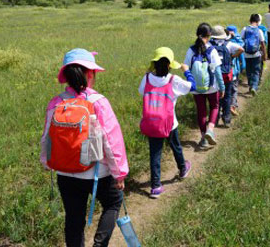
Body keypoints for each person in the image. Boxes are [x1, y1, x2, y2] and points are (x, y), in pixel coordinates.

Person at [40, 48, 128, 247]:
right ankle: (99, 244)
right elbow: (111, 140)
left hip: (64, 172)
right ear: (90, 74)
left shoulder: (56, 102)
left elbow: (47, 136)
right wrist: (119, 172)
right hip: (97, 172)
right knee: (113, 203)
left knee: (73, 218)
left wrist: (46, 162)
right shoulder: (99, 102)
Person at [138, 47, 195, 199]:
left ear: (154, 63)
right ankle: (183, 168)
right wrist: (186, 71)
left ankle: (155, 186)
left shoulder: (147, 78)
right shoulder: (173, 80)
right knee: (175, 146)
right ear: (170, 65)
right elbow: (192, 86)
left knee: (155, 153)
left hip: (152, 123)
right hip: (169, 123)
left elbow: (141, 92)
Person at [184, 23, 225, 149]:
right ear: (210, 35)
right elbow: (217, 71)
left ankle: (203, 139)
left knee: (201, 112)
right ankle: (210, 130)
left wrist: (191, 83)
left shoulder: (191, 50)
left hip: (197, 87)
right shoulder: (212, 50)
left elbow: (186, 68)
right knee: (214, 106)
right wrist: (222, 87)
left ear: (198, 34)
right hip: (212, 86)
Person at [210, 25, 244, 127]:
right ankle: (227, 119)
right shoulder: (229, 44)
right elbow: (241, 49)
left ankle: (214, 119)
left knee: (216, 98)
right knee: (227, 96)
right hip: (227, 75)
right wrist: (232, 57)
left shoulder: (209, 45)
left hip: (214, 76)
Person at [241, 14, 267, 96]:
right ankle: (254, 87)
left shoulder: (245, 29)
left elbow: (241, 41)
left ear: (250, 20)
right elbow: (262, 44)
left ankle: (250, 85)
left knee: (249, 71)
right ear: (258, 21)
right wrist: (264, 54)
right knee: (256, 71)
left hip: (246, 54)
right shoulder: (259, 30)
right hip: (256, 54)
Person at [226, 25, 245, 116]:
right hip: (234, 70)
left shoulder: (223, 43)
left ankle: (224, 108)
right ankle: (232, 106)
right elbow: (242, 55)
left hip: (223, 72)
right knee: (234, 89)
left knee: (225, 90)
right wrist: (242, 67)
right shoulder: (236, 43)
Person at [256, 14, 268, 87]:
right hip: (260, 48)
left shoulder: (249, 28)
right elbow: (265, 40)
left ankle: (252, 80)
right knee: (260, 63)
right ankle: (259, 79)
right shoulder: (263, 28)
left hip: (251, 50)